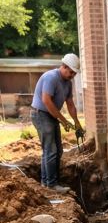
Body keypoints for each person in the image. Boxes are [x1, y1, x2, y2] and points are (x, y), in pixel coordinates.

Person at [30, 53, 83, 193]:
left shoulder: (67, 83)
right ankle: (51, 185)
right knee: (50, 150)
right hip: (40, 114)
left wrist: (76, 121)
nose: (72, 75)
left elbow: (70, 103)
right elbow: (46, 100)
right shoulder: (51, 77)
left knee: (57, 150)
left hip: (51, 116)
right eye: (71, 72)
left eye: (74, 73)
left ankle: (47, 181)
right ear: (64, 67)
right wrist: (63, 120)